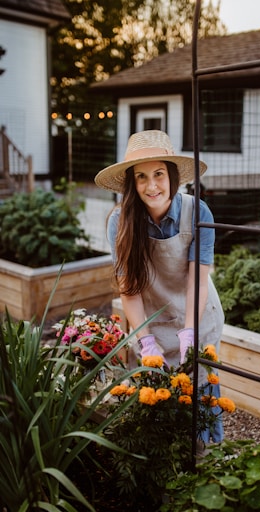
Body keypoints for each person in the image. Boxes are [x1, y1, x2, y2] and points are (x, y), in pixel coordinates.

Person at [95, 129, 225, 443]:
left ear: (173, 176)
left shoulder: (198, 213)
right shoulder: (121, 221)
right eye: (141, 177)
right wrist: (147, 343)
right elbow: (129, 289)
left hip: (197, 318)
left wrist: (191, 333)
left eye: (158, 174)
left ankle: (210, 467)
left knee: (203, 410)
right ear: (131, 182)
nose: (151, 186)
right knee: (156, 416)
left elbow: (198, 280)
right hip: (150, 322)